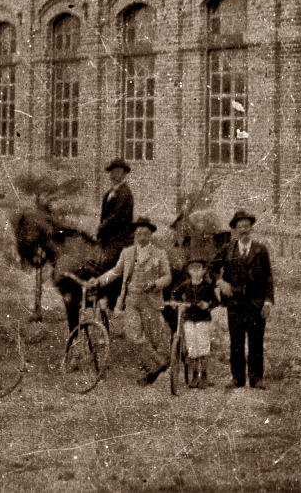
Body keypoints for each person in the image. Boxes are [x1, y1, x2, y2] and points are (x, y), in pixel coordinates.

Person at [91, 217, 172, 384]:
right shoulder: (127, 253)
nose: (142, 236)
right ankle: (159, 363)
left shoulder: (159, 253)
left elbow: (167, 276)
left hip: (151, 300)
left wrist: (156, 284)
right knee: (133, 336)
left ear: (151, 235)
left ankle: (149, 372)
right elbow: (115, 272)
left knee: (151, 338)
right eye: (139, 233)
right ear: (135, 234)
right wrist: (98, 281)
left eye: (145, 233)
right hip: (132, 300)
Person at [213, 210, 274, 389]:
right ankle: (237, 378)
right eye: (240, 226)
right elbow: (212, 268)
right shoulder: (228, 248)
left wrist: (268, 301)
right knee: (236, 341)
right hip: (235, 303)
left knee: (256, 341)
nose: (244, 229)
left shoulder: (260, 250)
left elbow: (268, 278)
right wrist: (220, 282)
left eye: (247, 226)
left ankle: (256, 379)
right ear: (235, 229)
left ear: (251, 228)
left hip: (255, 303)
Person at [171, 256, 219, 389]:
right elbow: (174, 293)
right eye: (192, 269)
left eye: (198, 269)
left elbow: (216, 302)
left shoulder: (207, 286)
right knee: (192, 348)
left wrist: (207, 305)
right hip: (189, 319)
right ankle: (194, 375)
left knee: (203, 347)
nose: (195, 272)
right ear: (189, 271)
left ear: (203, 271)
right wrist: (177, 302)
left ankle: (203, 375)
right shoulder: (185, 285)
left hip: (203, 320)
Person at [96, 159, 134, 313]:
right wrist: (100, 233)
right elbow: (103, 215)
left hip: (121, 238)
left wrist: (102, 226)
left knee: (111, 262)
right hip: (108, 238)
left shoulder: (125, 194)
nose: (114, 174)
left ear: (124, 174)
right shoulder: (109, 193)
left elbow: (117, 217)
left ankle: (113, 300)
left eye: (118, 171)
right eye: (112, 171)